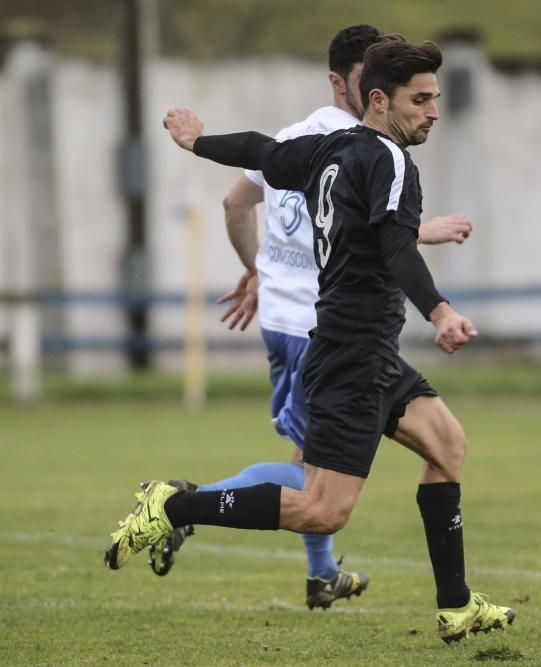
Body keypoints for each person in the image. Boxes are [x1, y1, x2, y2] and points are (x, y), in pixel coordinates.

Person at [105, 36, 515, 643]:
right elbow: (398, 246)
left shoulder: (333, 147)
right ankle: (172, 506)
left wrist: (197, 142)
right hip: (351, 353)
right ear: (380, 100)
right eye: (421, 99)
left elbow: (259, 151)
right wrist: (440, 310)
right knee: (322, 510)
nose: (433, 111)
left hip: (366, 349)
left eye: (435, 99)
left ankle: (456, 606)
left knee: (447, 448)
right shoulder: (392, 162)